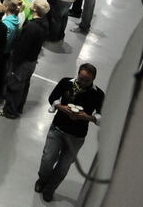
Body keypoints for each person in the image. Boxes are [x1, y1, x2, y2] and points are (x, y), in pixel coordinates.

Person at [36, 63, 104, 203]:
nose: (83, 82)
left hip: (77, 136)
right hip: (57, 129)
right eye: (81, 78)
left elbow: (101, 116)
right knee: (47, 160)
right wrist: (61, 107)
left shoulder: (98, 94)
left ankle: (50, 189)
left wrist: (87, 117)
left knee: (63, 167)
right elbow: (52, 98)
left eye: (87, 80)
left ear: (93, 79)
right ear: (78, 74)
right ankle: (42, 179)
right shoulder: (66, 83)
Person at [0, 0, 50, 119]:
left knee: (14, 86)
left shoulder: (31, 27)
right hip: (31, 61)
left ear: (35, 8)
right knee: (23, 85)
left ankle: (9, 111)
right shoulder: (44, 23)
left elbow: (22, 48)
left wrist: (14, 64)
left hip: (23, 62)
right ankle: (18, 107)